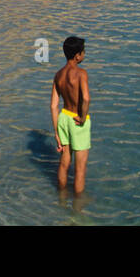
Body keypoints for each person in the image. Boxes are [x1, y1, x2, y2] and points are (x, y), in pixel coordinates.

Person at [50, 35, 91, 194]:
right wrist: (82, 117)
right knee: (80, 169)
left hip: (63, 118)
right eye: (83, 51)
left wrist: (56, 132)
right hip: (76, 121)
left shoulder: (58, 75)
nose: (84, 54)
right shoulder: (81, 74)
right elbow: (86, 99)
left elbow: (53, 106)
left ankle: (61, 197)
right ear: (77, 55)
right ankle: (78, 207)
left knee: (64, 163)